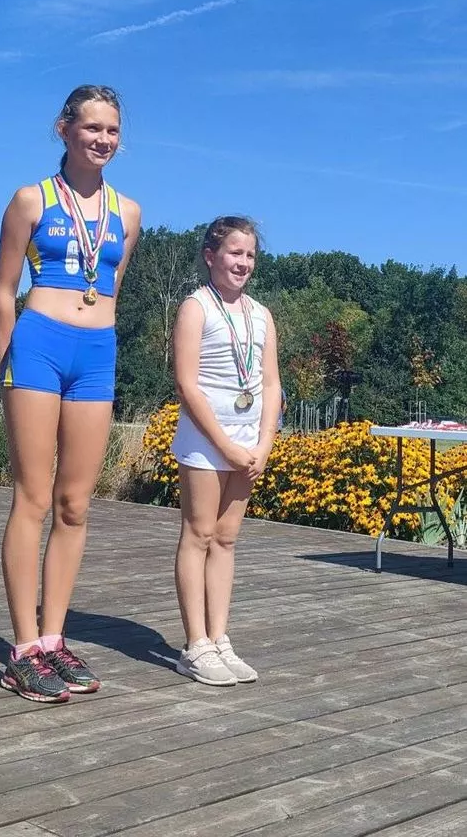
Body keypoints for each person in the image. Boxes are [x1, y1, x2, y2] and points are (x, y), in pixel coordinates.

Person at [0, 85, 141, 703]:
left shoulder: (128, 212)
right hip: (39, 346)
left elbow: (113, 286)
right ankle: (23, 648)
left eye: (112, 130)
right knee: (32, 497)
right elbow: (3, 290)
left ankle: (54, 638)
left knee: (75, 503)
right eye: (92, 127)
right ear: (64, 128)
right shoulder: (31, 199)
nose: (102, 139)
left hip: (96, 352)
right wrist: (8, 361)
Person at [170, 216, 280, 686]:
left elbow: (271, 384)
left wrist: (263, 443)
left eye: (250, 254)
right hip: (206, 440)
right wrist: (225, 446)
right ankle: (195, 645)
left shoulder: (261, 314)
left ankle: (219, 637)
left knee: (227, 538)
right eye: (235, 252)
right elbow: (186, 384)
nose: (243, 262)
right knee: (199, 533)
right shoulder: (196, 307)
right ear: (211, 256)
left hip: (249, 441)